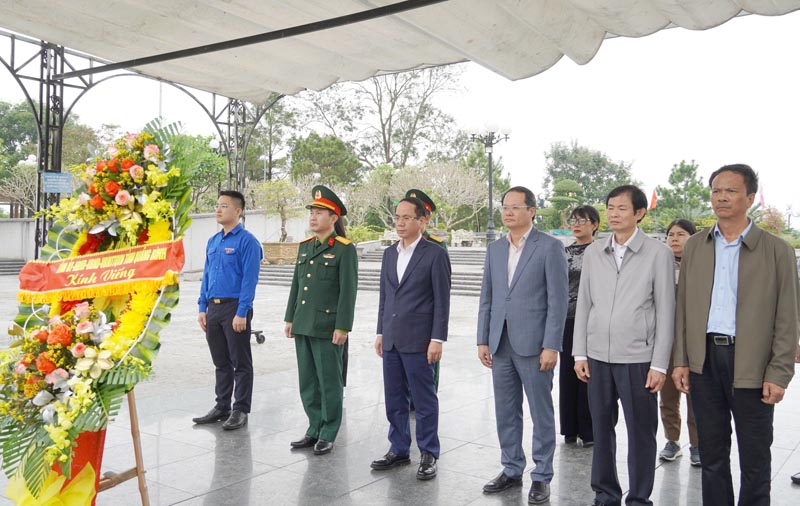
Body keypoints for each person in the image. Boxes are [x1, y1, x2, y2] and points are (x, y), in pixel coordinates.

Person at [672, 164, 800, 505]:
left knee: (755, 458)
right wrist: (681, 360)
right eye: (716, 191)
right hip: (704, 363)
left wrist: (779, 373)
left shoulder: (777, 251)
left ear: (750, 198)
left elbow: (788, 318)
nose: (721, 197)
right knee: (712, 455)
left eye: (730, 191)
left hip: (753, 365)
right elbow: (683, 309)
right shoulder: (697, 246)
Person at [573, 184, 675, 506]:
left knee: (642, 433)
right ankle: (605, 493)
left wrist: (659, 364)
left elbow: (666, 311)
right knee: (602, 429)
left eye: (621, 208)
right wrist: (579, 353)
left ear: (639, 213)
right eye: (610, 208)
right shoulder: (594, 252)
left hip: (638, 359)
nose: (614, 214)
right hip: (598, 358)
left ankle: (639, 497)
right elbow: (584, 305)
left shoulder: (658, 254)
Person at [477, 186, 568, 505]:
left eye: (515, 207)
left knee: (541, 412)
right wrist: (482, 338)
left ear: (532, 210)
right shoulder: (495, 249)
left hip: (535, 345)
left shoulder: (551, 247)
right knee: (505, 411)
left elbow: (558, 302)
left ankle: (542, 475)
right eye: (504, 207)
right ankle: (512, 468)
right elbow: (487, 296)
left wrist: (551, 345)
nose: (508, 212)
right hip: (500, 342)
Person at [371, 196, 452, 480]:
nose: (400, 223)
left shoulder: (435, 253)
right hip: (392, 338)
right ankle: (399, 448)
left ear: (423, 220)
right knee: (394, 397)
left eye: (407, 217)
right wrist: (380, 331)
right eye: (397, 217)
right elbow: (385, 296)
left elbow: (442, 301)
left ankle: (429, 452)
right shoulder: (389, 253)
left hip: (420, 340)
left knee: (424, 399)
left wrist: (437, 339)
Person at [284, 185, 358, 456]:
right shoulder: (305, 247)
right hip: (303, 323)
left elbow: (348, 291)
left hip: (328, 327)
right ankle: (314, 427)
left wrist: (343, 326)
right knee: (308, 381)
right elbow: (297, 284)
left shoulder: (343, 249)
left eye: (320, 212)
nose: (313, 217)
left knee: (329, 381)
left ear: (334, 218)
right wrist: (290, 317)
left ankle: (328, 431)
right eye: (312, 212)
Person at [194, 190, 263, 430]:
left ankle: (240, 409)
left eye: (224, 205)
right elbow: (206, 276)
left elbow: (249, 280)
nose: (218, 209)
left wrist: (242, 312)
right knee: (220, 361)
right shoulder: (213, 242)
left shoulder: (247, 242)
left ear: (238, 211)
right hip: (213, 308)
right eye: (217, 205)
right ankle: (221, 405)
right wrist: (202, 307)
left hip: (235, 307)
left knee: (240, 362)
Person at [658, 219, 700, 466]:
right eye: (670, 234)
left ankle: (697, 444)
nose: (674, 238)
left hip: (694, 341)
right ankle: (672, 440)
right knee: (668, 395)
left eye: (680, 234)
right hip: (667, 340)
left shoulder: (701, 266)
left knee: (696, 395)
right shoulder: (660, 265)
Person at [559, 205, 599, 448]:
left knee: (588, 374)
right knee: (566, 373)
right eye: (573, 220)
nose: (577, 224)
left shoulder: (601, 251)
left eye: (583, 220)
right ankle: (569, 428)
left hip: (592, 319)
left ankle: (589, 429)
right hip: (566, 319)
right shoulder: (562, 251)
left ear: (594, 224)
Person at [405, 189, 446, 409]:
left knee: (428, 364)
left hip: (426, 319)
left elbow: (441, 289)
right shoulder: (397, 249)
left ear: (425, 219)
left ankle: (424, 398)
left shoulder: (436, 246)